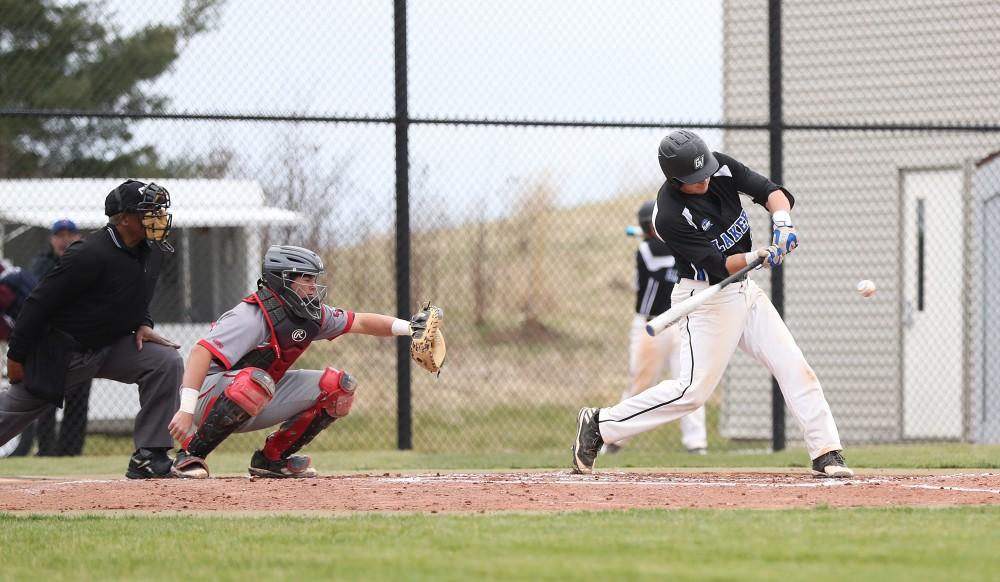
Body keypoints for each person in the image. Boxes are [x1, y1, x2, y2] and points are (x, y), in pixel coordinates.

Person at [573, 130, 853, 478]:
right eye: (694, 177)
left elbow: (771, 193)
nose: (704, 178)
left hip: (744, 291)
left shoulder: (719, 166)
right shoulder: (670, 215)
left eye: (704, 169)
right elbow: (718, 265)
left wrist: (782, 224)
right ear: (675, 180)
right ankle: (601, 425)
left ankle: (826, 451)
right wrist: (757, 255)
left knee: (794, 365)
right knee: (692, 393)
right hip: (706, 298)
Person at [168, 245, 438, 479]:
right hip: (207, 397)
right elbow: (200, 352)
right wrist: (186, 411)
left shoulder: (309, 315)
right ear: (283, 280)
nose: (312, 285)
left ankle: (272, 460)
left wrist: (410, 327)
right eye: (306, 278)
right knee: (254, 381)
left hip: (256, 390)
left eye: (313, 278)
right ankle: (190, 455)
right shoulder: (251, 316)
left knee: (338, 387)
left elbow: (361, 321)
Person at [0, 180, 183, 478]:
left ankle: (150, 456)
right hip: (63, 352)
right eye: (147, 211)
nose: (157, 216)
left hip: (111, 345)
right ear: (124, 218)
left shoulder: (152, 250)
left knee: (164, 362)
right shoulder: (88, 253)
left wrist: (143, 324)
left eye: (158, 210)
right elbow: (37, 304)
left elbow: (135, 295)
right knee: (12, 412)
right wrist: (17, 356)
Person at [603, 200, 708, 456]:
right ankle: (615, 437)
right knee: (641, 383)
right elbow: (664, 263)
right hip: (651, 327)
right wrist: (677, 241)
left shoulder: (674, 246)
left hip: (681, 324)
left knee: (691, 382)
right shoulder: (646, 249)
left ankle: (696, 444)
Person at [21, 219, 92, 456]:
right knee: (46, 399)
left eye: (70, 234)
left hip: (81, 339)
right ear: (51, 239)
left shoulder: (90, 262)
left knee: (78, 398)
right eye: (59, 235)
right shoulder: (41, 264)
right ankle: (46, 449)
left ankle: (72, 451)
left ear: (79, 237)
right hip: (50, 341)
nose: (65, 240)